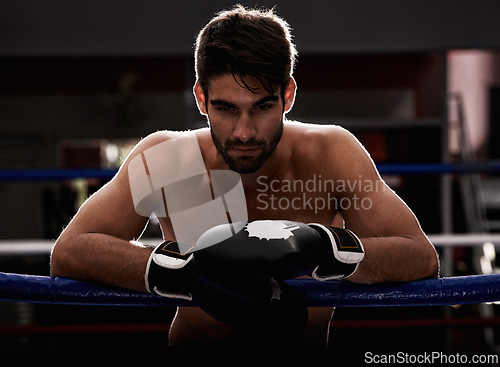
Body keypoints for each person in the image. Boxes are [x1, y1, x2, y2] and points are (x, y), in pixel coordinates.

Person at [50, 5, 439, 350]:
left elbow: (419, 257)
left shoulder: (330, 154)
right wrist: (187, 272)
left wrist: (326, 248)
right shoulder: (166, 157)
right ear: (201, 98)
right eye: (225, 108)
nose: (244, 132)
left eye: (263, 107)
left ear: (287, 95)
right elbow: (71, 252)